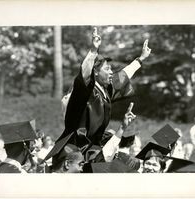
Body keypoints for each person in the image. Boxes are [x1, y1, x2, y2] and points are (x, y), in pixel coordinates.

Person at [45, 27, 152, 161]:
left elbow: (123, 76)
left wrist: (140, 59)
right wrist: (93, 51)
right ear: (95, 72)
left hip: (91, 149)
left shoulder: (104, 91)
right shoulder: (84, 93)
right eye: (107, 69)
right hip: (73, 150)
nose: (111, 72)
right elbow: (84, 74)